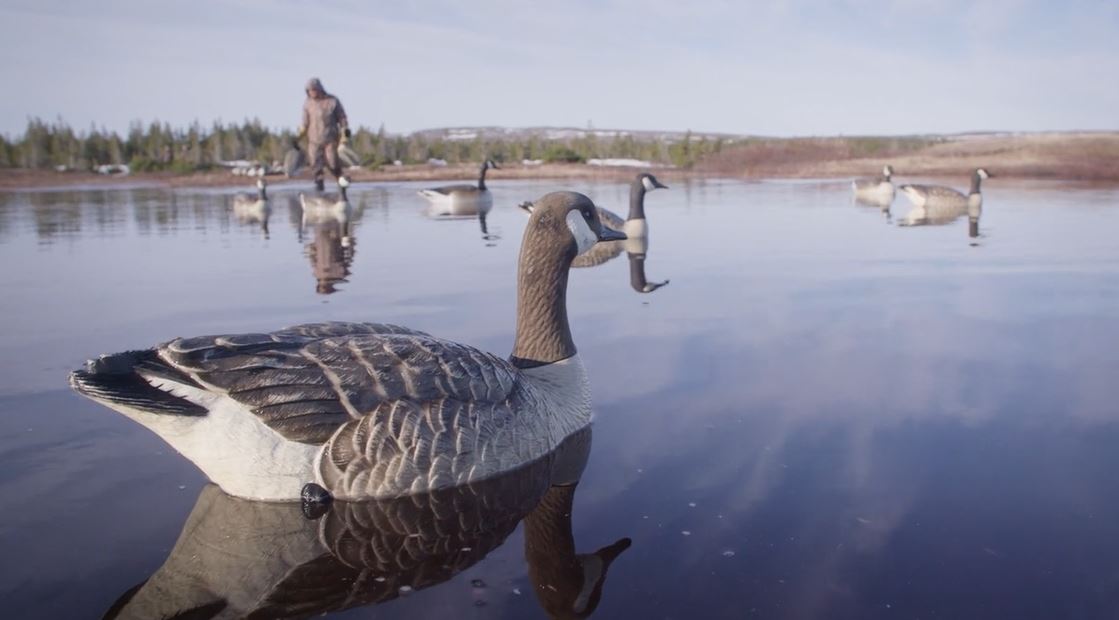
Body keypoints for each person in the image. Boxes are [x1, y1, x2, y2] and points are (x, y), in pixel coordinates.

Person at [298, 77, 350, 191]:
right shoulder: (308, 104)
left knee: (333, 163)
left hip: (330, 139)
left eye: (314, 89)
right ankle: (319, 189)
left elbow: (343, 119)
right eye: (309, 90)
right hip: (313, 140)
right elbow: (304, 123)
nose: (312, 92)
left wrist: (345, 135)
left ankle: (342, 187)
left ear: (319, 89)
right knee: (316, 165)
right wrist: (299, 136)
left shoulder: (332, 101)